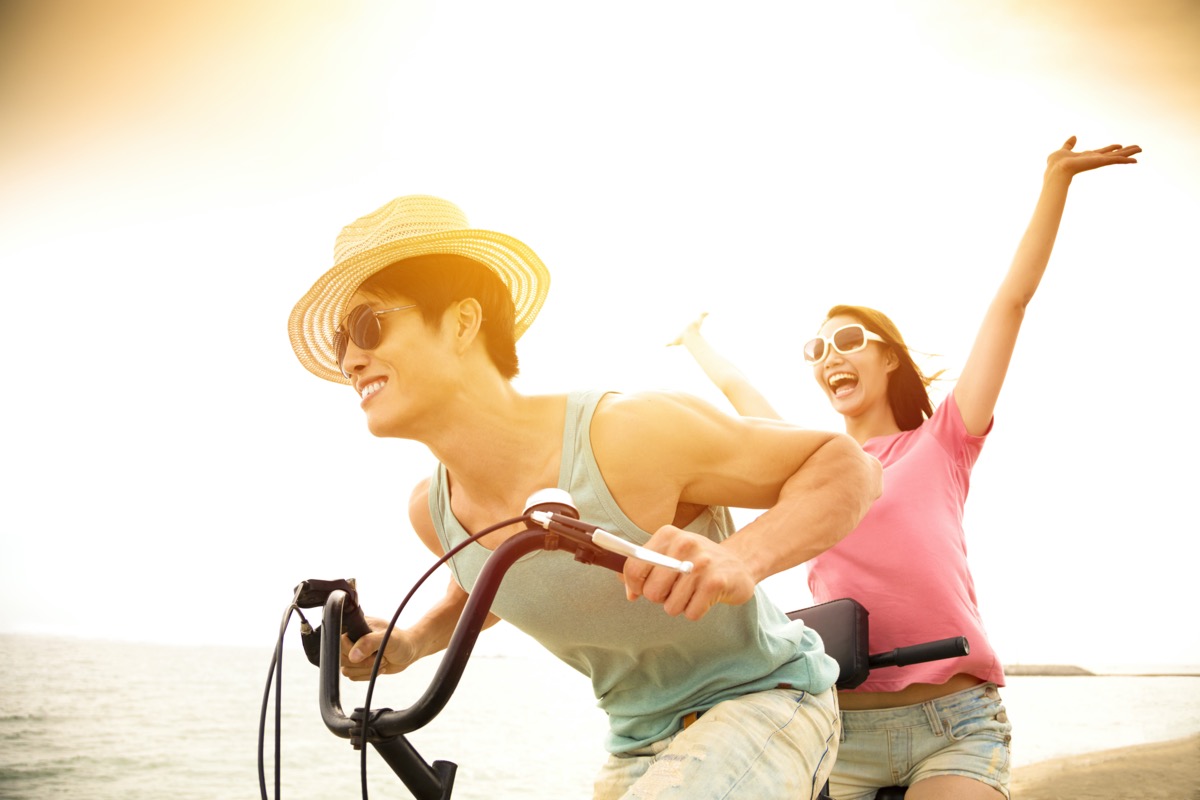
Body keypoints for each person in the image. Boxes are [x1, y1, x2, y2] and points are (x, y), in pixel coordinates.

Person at [287, 194, 883, 800]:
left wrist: (742, 558)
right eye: (341, 343)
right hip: (635, 742)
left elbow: (847, 465)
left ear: (463, 322)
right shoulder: (434, 511)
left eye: (367, 326)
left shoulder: (624, 434)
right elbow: (486, 586)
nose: (352, 360)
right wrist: (411, 642)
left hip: (764, 699)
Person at [669, 136, 1141, 800]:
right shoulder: (810, 464)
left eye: (850, 340)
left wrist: (1055, 182)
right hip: (840, 728)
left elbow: (1009, 304)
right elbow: (743, 398)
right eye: (816, 348)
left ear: (889, 357)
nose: (830, 355)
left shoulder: (944, 439)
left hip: (955, 721)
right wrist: (693, 340)